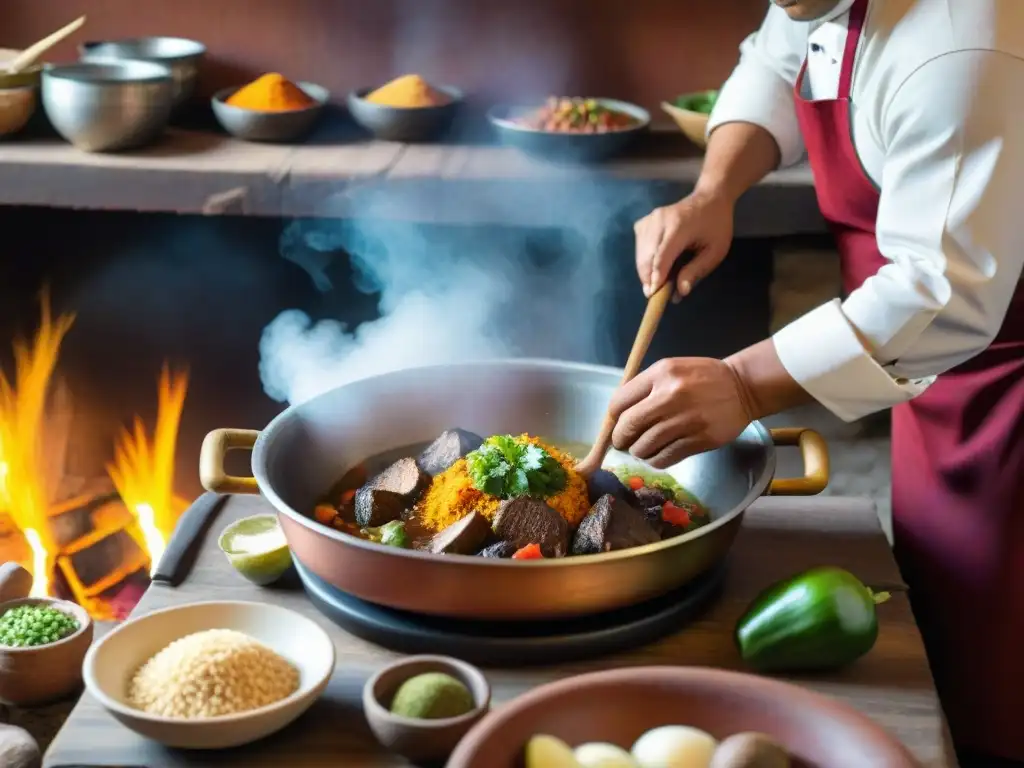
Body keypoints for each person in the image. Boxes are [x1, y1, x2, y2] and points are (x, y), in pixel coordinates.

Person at [613, 0, 1024, 765]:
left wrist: (742, 384)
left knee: (1005, 654)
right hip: (931, 374)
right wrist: (714, 192)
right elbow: (778, 58)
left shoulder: (965, 44)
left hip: (1005, 379)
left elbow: (944, 291)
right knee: (940, 611)